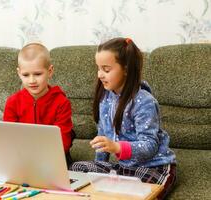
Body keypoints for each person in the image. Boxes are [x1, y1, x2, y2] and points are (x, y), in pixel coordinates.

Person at [70, 37, 176, 199]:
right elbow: (103, 139)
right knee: (77, 169)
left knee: (147, 189)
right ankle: (116, 186)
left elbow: (150, 145)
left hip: (153, 166)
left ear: (126, 69)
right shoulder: (105, 97)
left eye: (106, 69)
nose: (99, 75)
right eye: (98, 68)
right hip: (125, 168)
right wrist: (99, 167)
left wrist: (117, 147)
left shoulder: (144, 102)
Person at [3, 43, 74, 166]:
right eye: (26, 75)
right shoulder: (13, 102)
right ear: (19, 73)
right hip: (23, 156)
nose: (32, 81)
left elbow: (64, 141)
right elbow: (9, 137)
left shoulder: (61, 102)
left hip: (54, 156)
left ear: (50, 71)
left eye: (37, 74)